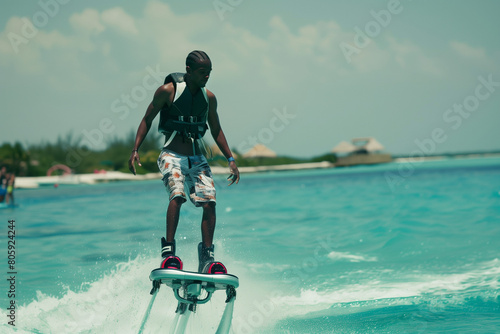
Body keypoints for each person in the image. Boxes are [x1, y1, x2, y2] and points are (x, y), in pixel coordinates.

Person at [128, 50, 240, 274]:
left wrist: (231, 158)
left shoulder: (209, 98)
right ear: (188, 70)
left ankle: (207, 257)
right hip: (171, 155)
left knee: (209, 202)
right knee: (177, 196)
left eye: (209, 73)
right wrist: (135, 149)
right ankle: (169, 253)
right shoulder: (167, 91)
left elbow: (216, 129)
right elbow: (147, 118)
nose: (206, 77)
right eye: (202, 72)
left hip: (196, 158)